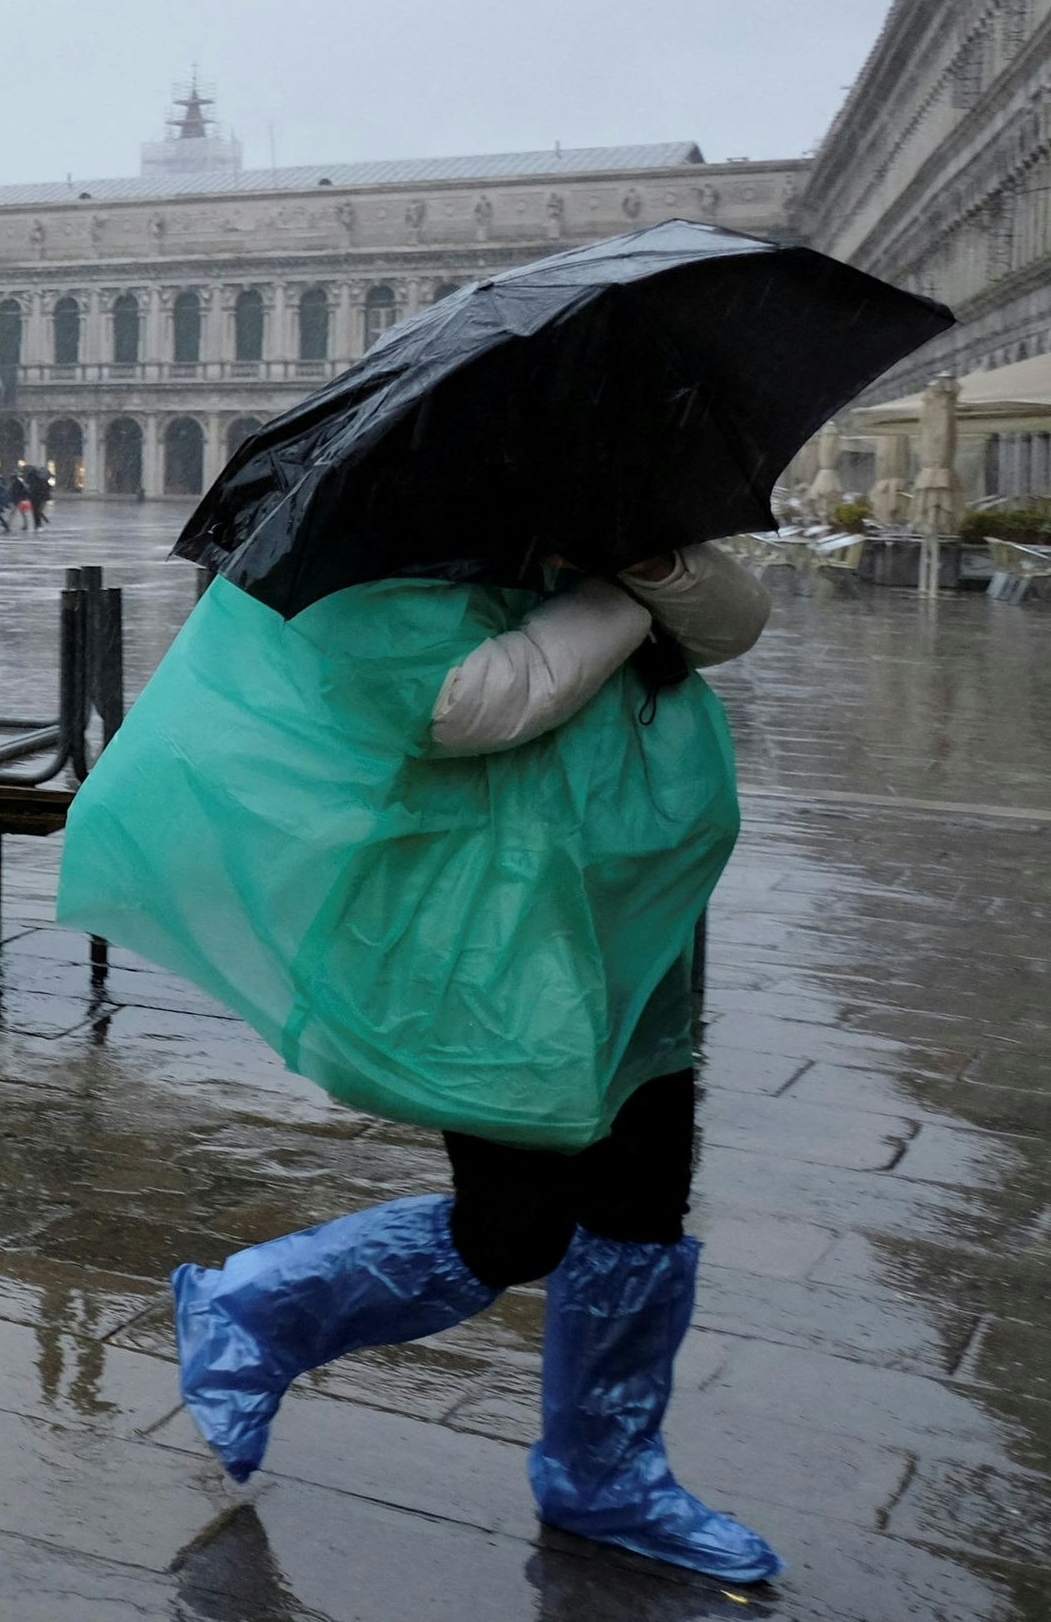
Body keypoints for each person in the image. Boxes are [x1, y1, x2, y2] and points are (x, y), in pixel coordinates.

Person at [78, 545, 782, 1582]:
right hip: (482, 920)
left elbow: (728, 625)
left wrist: (654, 561)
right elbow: (460, 705)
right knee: (514, 1224)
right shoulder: (397, 530)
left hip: (629, 910)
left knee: (641, 1202)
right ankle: (256, 1308)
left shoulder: (623, 492)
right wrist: (618, 597)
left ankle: (607, 1475)